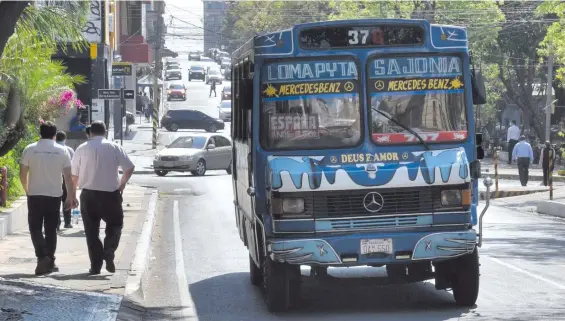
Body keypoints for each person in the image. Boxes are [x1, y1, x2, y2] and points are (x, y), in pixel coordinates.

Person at [71, 121, 135, 275]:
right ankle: (109, 251)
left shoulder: (81, 148)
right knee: (115, 225)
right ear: (105, 132)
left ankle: (95, 266)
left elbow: (74, 175)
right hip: (111, 195)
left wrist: (72, 195)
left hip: (88, 195)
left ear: (90, 132)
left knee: (91, 232)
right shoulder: (114, 147)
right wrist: (122, 184)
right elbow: (129, 167)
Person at [19, 121, 75, 275]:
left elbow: (22, 174)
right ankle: (49, 259)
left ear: (40, 133)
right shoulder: (62, 151)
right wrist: (70, 196)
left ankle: (43, 257)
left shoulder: (30, 149)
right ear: (54, 134)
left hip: (35, 194)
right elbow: (68, 176)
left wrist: (26, 189)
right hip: (54, 195)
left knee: (35, 228)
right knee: (51, 229)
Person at [55, 130, 75, 230]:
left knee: (56, 201)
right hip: (67, 177)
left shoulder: (53, 149)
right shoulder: (69, 150)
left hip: (56, 177)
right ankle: (67, 222)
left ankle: (57, 223)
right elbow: (74, 166)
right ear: (65, 139)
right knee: (67, 200)